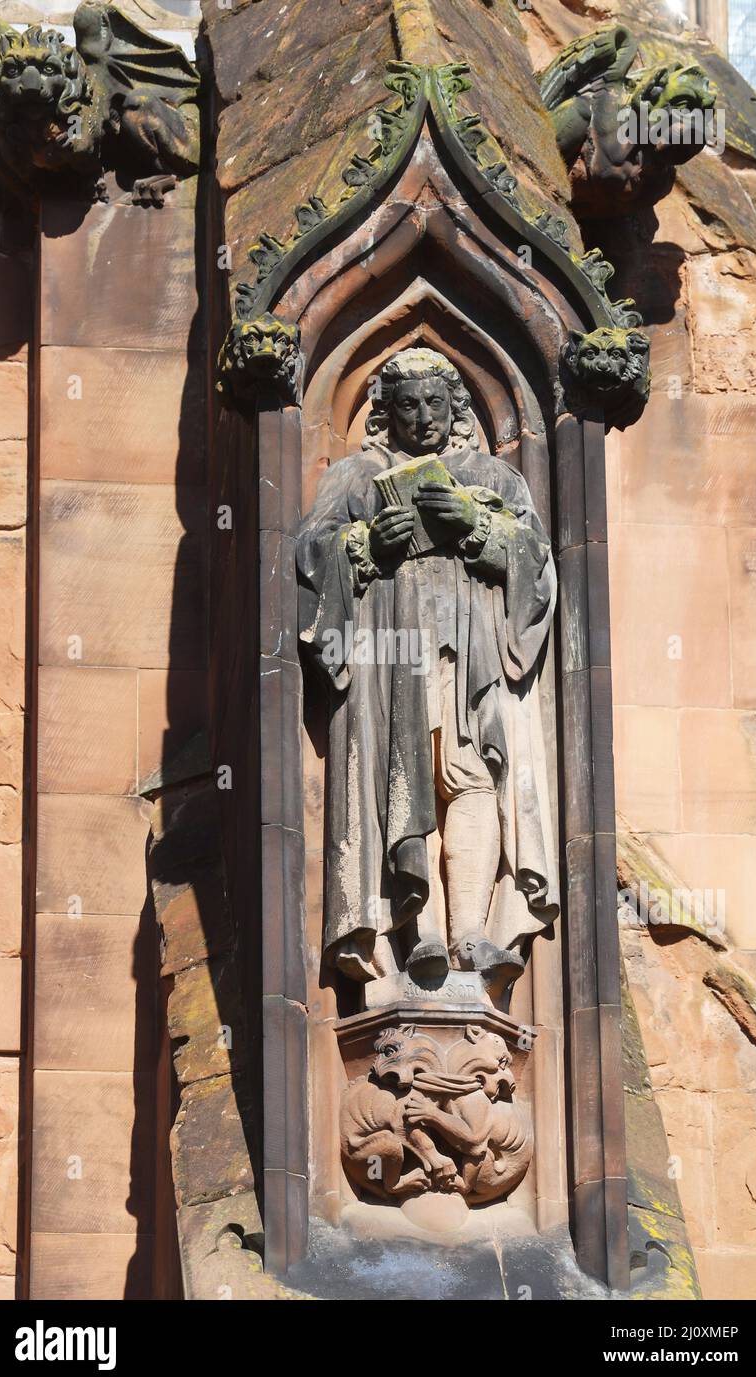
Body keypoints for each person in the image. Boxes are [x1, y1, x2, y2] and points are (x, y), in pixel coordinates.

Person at [297, 347, 559, 989]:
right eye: (407, 405)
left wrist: (477, 526)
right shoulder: (356, 478)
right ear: (387, 411)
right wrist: (363, 545)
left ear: (455, 408)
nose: (422, 419)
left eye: (434, 404)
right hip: (388, 657)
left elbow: (539, 568)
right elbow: (309, 555)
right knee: (404, 782)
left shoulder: (496, 479)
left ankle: (471, 932)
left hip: (473, 653)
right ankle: (422, 935)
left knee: (471, 777)